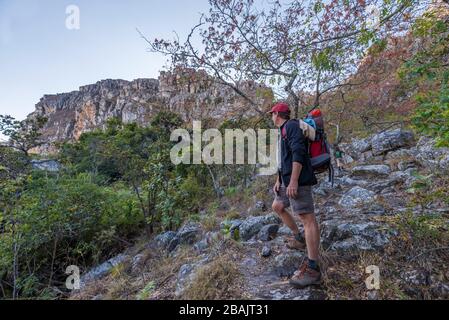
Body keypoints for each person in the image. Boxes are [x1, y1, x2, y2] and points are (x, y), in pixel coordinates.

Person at [268, 102, 321, 288]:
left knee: (307, 218)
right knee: (278, 206)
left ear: (277, 114)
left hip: (298, 179)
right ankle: (299, 239)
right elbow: (284, 159)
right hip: (286, 178)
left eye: (272, 114)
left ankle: (313, 268)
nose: (271, 117)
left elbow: (298, 153)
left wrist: (294, 181)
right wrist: (279, 180)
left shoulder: (291, 126)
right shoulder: (283, 130)